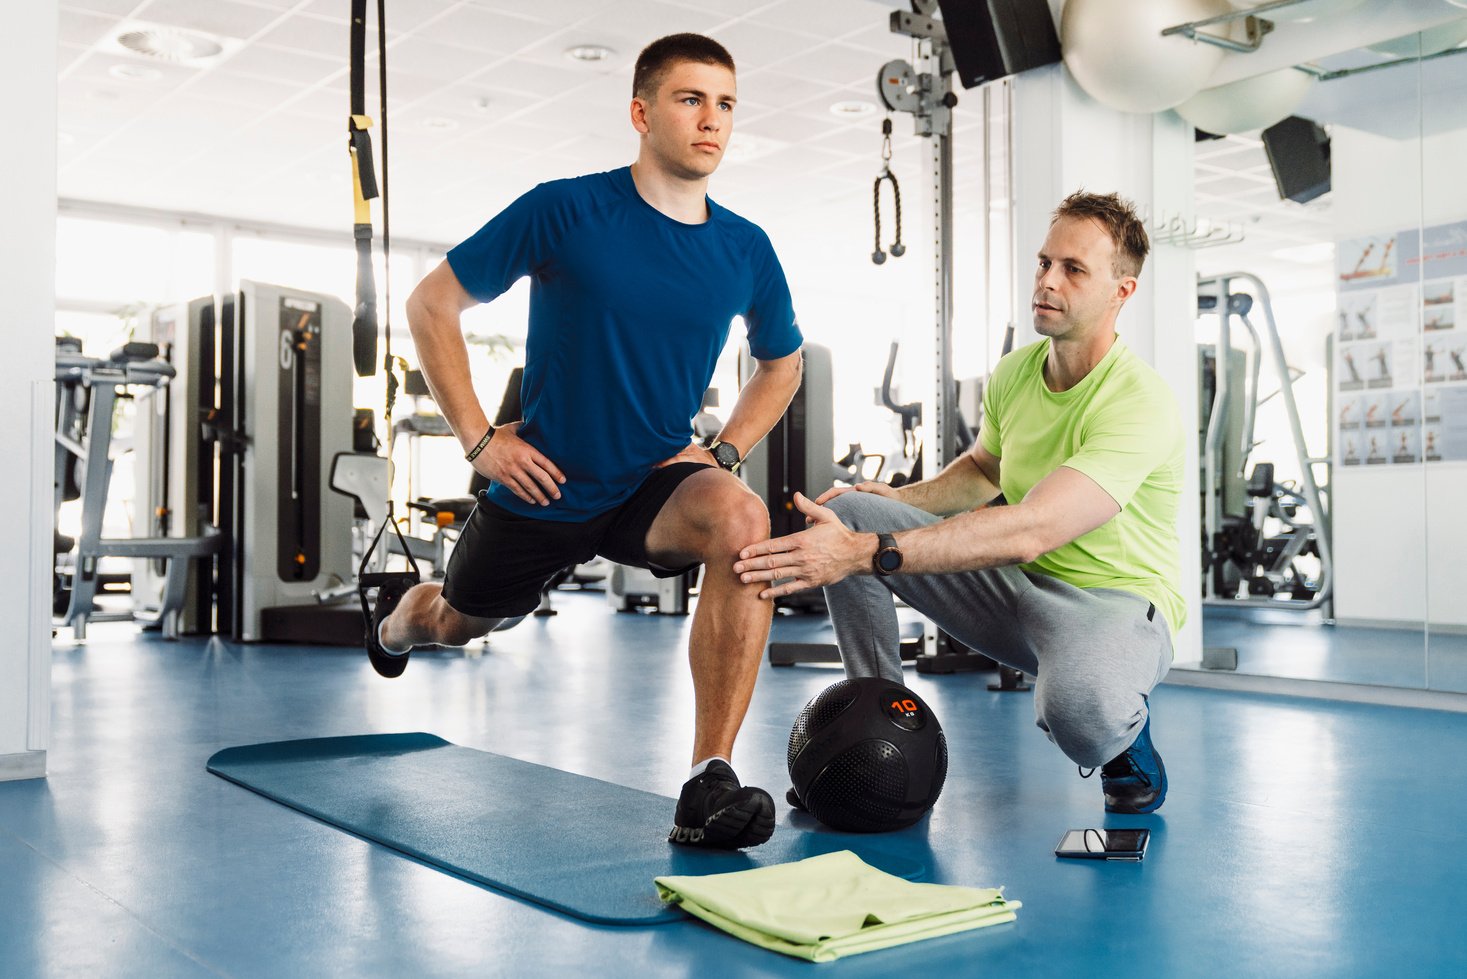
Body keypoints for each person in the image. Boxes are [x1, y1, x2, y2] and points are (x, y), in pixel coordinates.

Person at [368, 33, 804, 849]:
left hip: (654, 482)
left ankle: (708, 777)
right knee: (460, 625)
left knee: (743, 522)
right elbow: (432, 305)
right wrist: (477, 441)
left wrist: (724, 454)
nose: (712, 120)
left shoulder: (744, 246)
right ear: (641, 113)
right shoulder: (565, 208)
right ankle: (397, 621)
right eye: (690, 99)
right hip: (542, 485)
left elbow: (781, 364)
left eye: (726, 104)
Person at [733, 191, 1183, 815]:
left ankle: (1127, 745)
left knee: (1081, 711)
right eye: (1043, 263)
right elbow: (982, 470)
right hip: (1014, 587)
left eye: (1073, 270)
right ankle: (877, 730)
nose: (1047, 282)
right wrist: (896, 500)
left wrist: (865, 553)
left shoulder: (1139, 400)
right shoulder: (1016, 373)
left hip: (1110, 604)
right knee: (853, 509)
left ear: (1122, 292)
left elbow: (1033, 527)